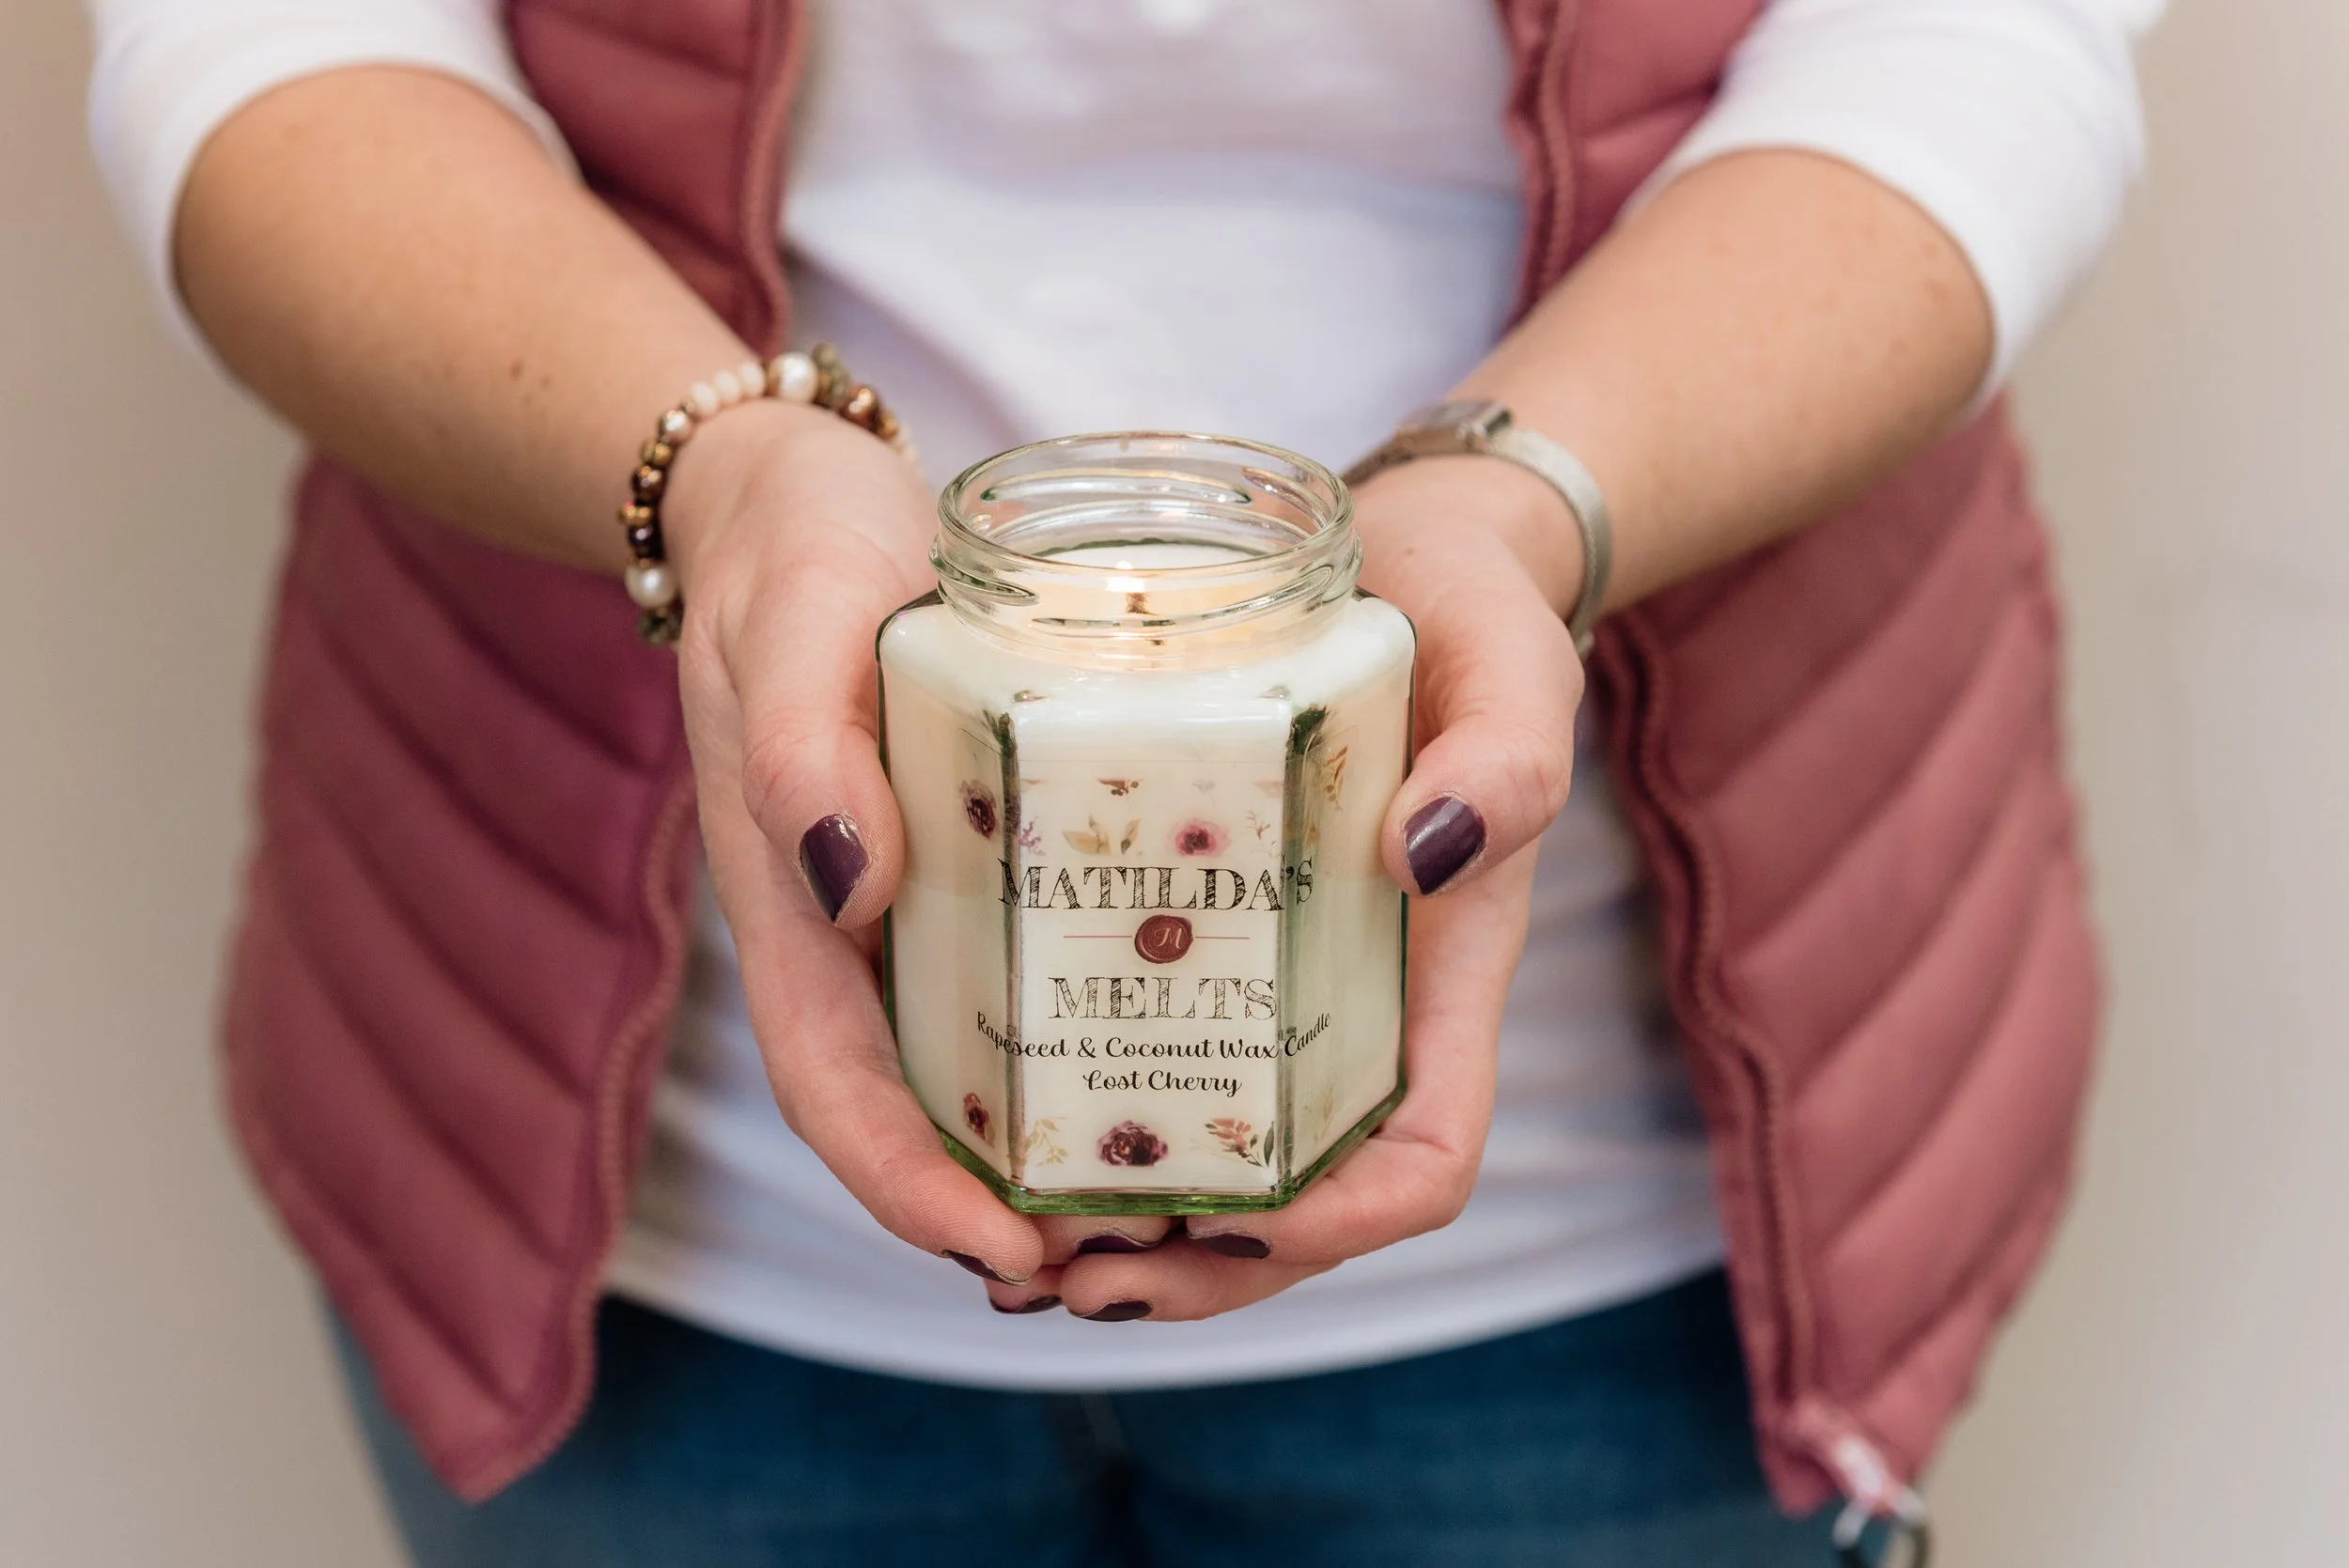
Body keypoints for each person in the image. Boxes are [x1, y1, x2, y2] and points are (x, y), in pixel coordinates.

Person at [85, 0, 2157, 1562]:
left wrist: (1512, 506)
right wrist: (721, 480)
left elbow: (1970, 46)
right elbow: (271, 39)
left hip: (1632, 1247)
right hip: (639, 1236)